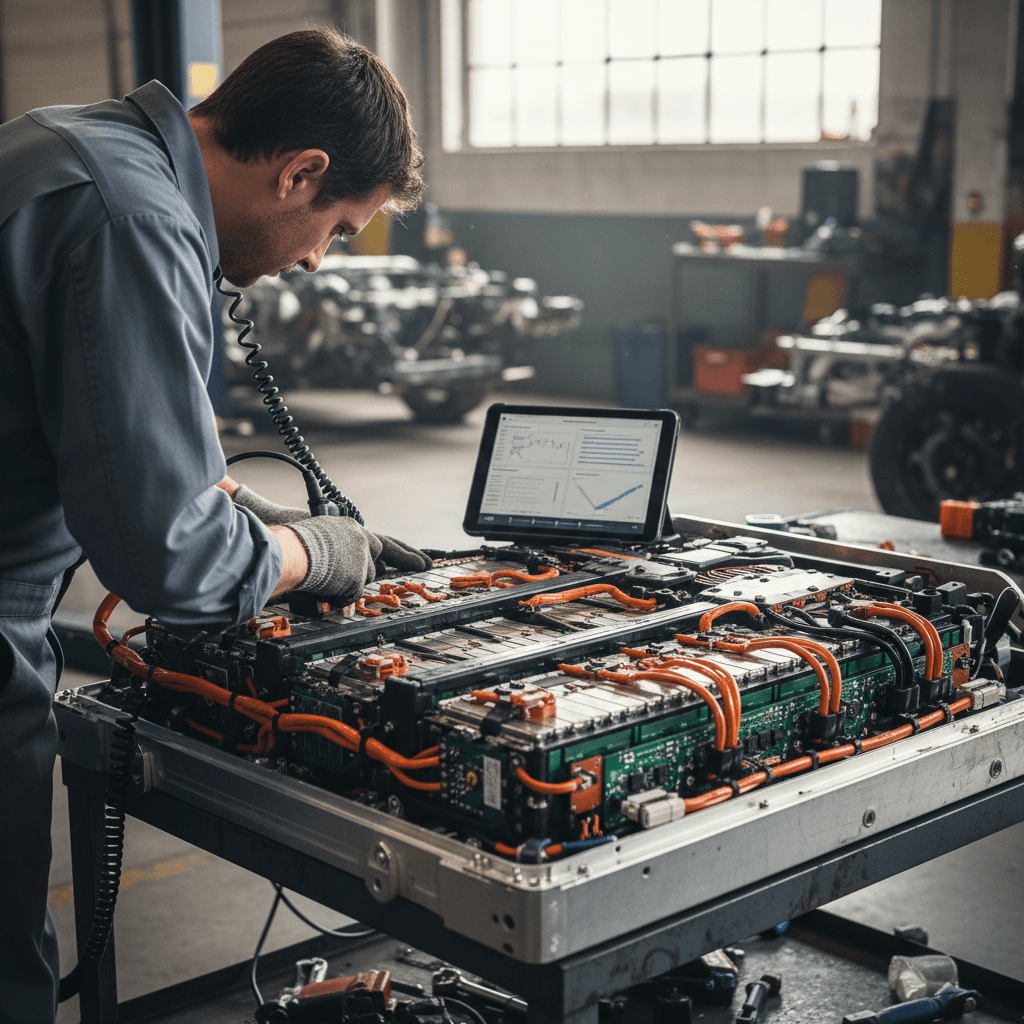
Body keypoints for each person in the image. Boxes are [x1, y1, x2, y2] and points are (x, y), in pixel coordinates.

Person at [0, 28, 430, 1024]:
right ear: (300, 173)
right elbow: (171, 560)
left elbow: (75, 430)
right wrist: (320, 551)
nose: (320, 259)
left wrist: (244, 508)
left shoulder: (59, 142)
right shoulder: (135, 218)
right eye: (341, 227)